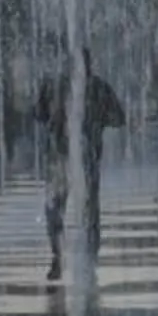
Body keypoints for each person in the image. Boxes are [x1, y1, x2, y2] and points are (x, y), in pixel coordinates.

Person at [39, 58, 127, 284]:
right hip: (87, 157)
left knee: (55, 207)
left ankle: (58, 254)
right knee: (89, 210)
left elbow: (37, 114)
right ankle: (89, 257)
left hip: (59, 157)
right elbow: (119, 118)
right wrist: (97, 121)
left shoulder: (55, 85)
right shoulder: (99, 87)